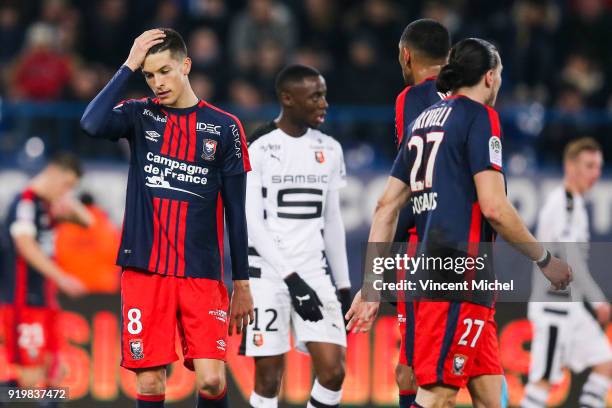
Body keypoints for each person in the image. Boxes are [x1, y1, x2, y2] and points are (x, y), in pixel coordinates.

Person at [346, 38, 572, 408]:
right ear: (488, 77)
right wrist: (545, 259)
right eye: (498, 75)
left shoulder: (422, 120)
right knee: (438, 393)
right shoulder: (480, 117)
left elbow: (386, 205)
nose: (498, 83)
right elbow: (495, 208)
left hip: (431, 271)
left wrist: (372, 282)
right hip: (457, 273)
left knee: (489, 394)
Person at [80, 28, 254, 408]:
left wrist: (242, 283)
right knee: (151, 385)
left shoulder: (225, 128)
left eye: (165, 71)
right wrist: (128, 64)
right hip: (145, 271)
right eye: (149, 74)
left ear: (186, 66)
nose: (158, 83)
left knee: (211, 381)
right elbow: (91, 124)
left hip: (201, 274)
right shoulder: (139, 115)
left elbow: (236, 215)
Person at [243, 64, 350, 408]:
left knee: (333, 373)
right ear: (287, 99)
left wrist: (344, 285)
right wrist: (291, 279)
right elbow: (253, 224)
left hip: (313, 272)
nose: (324, 103)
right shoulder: (258, 148)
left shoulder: (330, 149)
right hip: (267, 274)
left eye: (324, 94)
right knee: (269, 378)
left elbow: (332, 220)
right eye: (315, 95)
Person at [522, 138, 611, 408]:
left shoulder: (574, 204)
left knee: (605, 364)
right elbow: (572, 263)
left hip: (571, 310)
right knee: (542, 384)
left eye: (598, 166)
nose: (595, 173)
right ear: (570, 166)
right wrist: (597, 300)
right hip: (554, 310)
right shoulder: (564, 206)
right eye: (589, 165)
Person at [392, 19, 451, 408]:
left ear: (406, 55)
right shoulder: (476, 99)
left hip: (422, 245)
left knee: (413, 364)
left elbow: (408, 181)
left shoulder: (410, 99)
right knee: (480, 362)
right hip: (471, 244)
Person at [1, 153, 90, 392]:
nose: (66, 191)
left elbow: (87, 221)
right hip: (24, 302)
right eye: (66, 184)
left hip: (45, 303)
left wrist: (68, 198)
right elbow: (25, 244)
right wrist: (60, 277)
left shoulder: (48, 205)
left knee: (56, 372)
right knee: (30, 379)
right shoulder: (26, 202)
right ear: (52, 172)